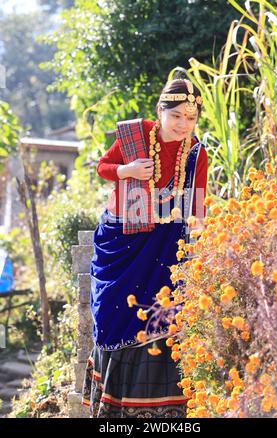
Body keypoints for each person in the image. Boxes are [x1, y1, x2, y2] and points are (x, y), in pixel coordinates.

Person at [81, 78, 208, 418]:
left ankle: (161, 410)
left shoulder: (195, 152)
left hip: (166, 247)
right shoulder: (136, 136)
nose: (183, 125)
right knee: (111, 312)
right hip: (121, 242)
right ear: (160, 112)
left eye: (190, 118)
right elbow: (102, 167)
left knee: (162, 314)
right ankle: (112, 408)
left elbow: (198, 207)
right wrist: (128, 169)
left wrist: (203, 246)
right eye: (177, 116)